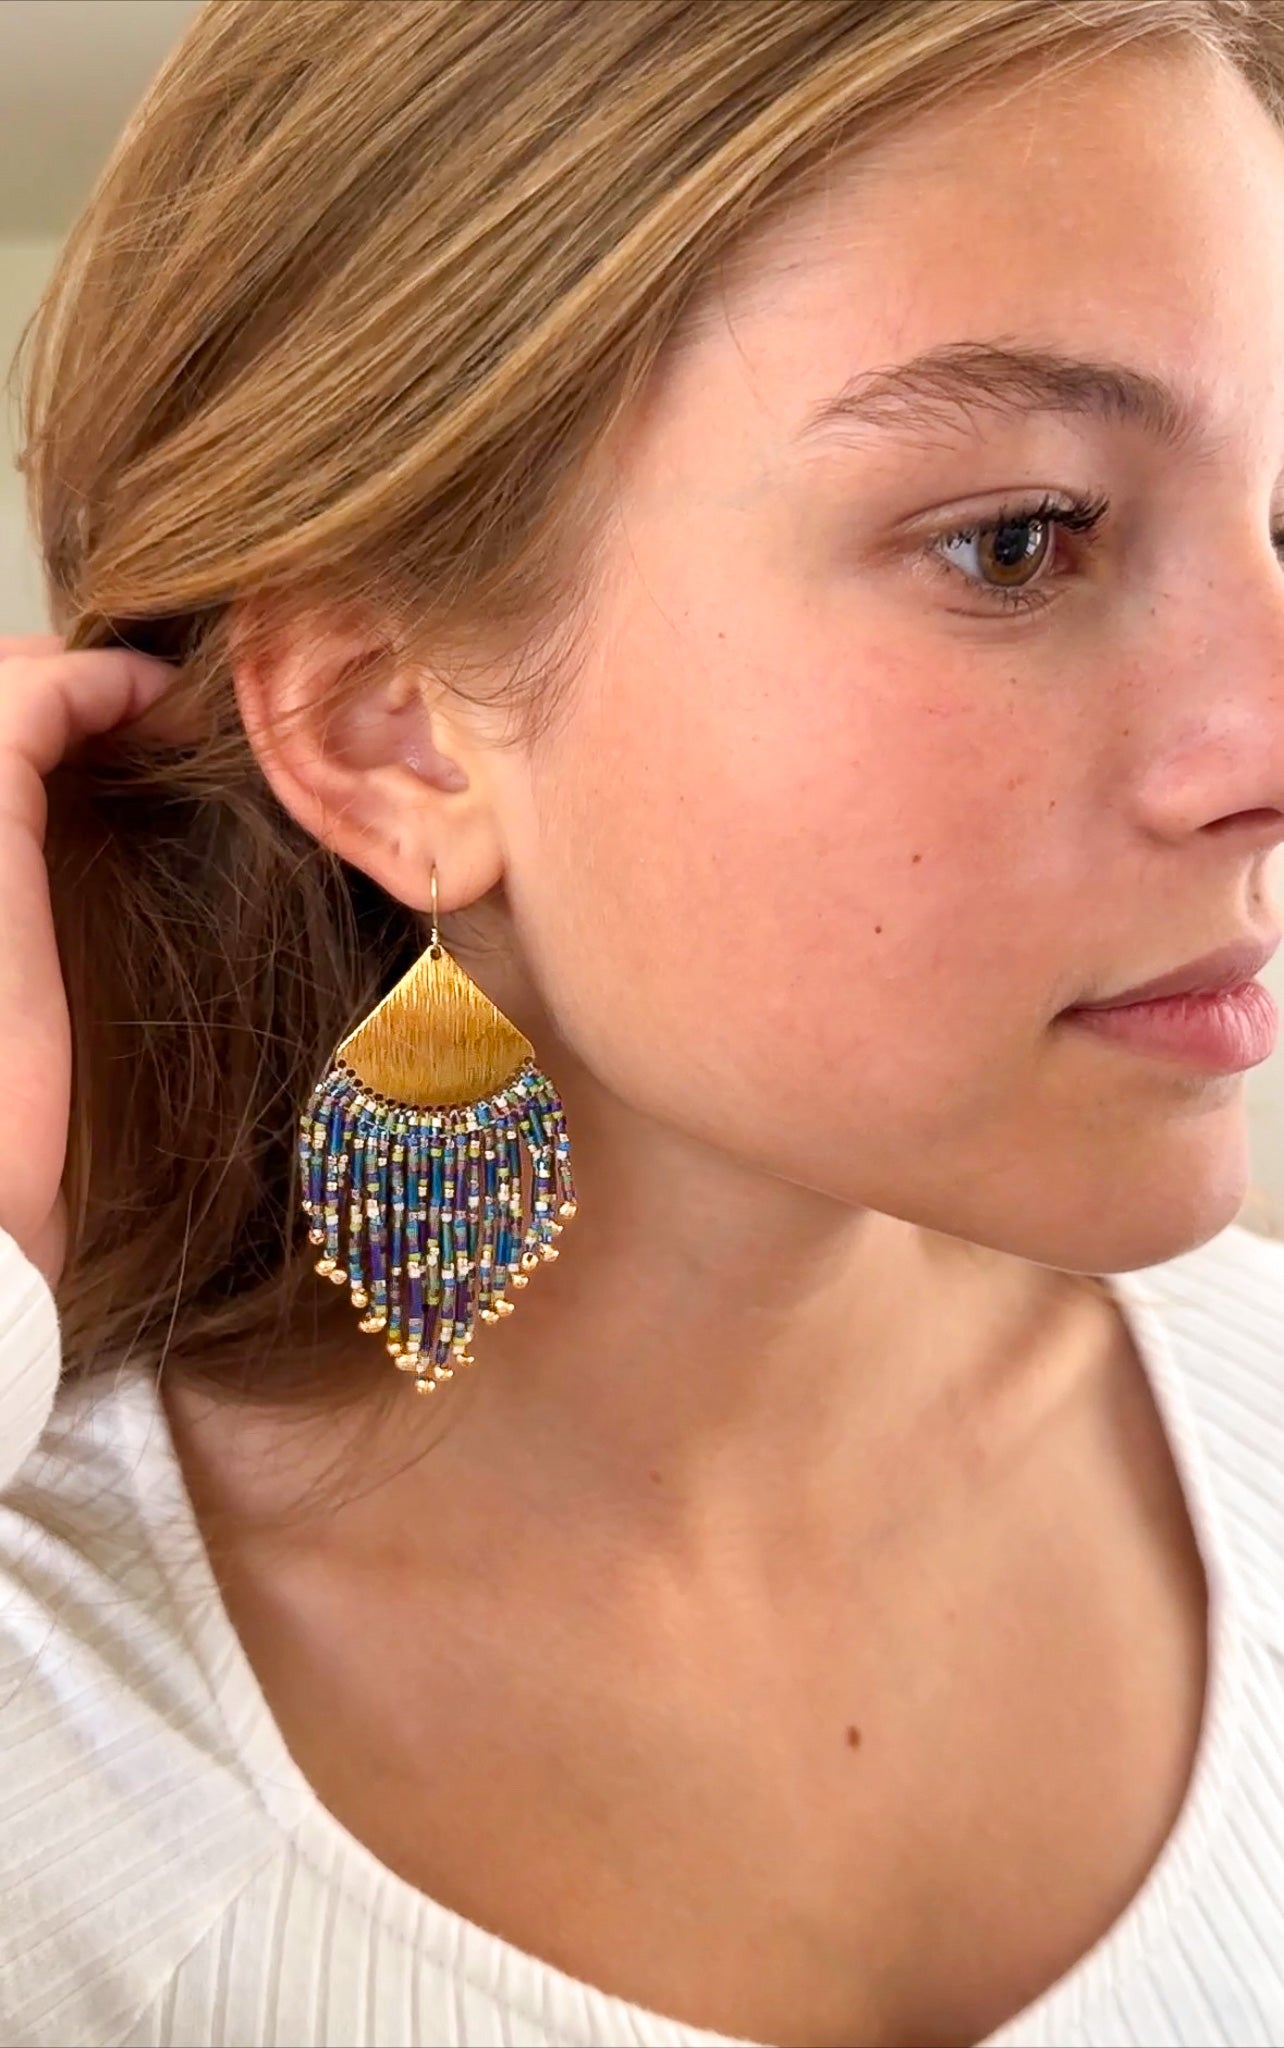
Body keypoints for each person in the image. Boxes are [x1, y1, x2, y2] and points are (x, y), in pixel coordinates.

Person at [2, 0, 1284, 2042]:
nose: (1265, 738)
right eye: (1021, 540)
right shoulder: (50, 1697)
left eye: (1282, 525)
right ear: (391, 731)